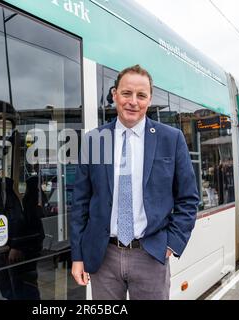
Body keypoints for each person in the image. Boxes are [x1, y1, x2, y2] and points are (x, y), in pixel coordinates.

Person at [70, 65, 199, 300]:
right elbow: (80, 202)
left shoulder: (170, 139)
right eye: (126, 93)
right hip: (103, 256)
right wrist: (77, 256)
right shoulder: (96, 140)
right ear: (114, 94)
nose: (133, 101)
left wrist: (172, 243)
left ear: (149, 100)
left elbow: (188, 198)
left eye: (141, 95)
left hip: (151, 255)